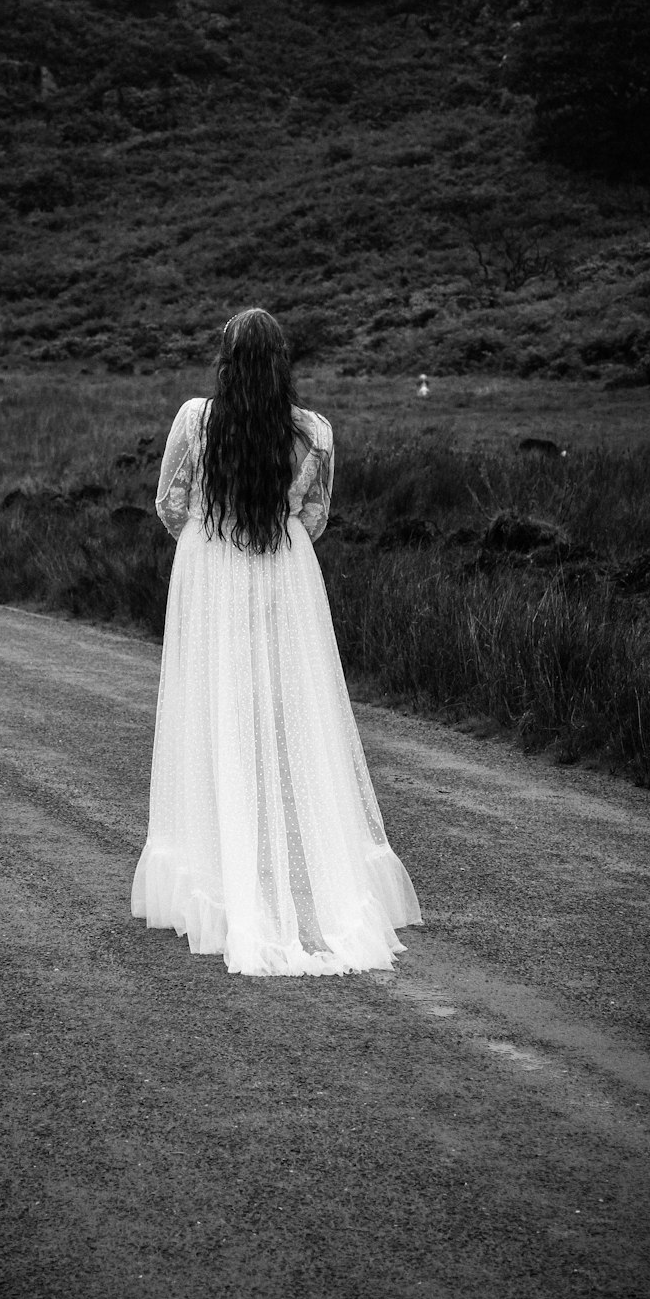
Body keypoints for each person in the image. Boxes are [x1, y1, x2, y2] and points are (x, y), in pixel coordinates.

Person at [131, 309, 422, 976]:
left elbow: (169, 505)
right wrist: (274, 540)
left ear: (227, 364)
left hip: (210, 568)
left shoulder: (196, 420)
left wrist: (210, 542)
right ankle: (299, 868)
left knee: (216, 706)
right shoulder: (313, 431)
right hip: (287, 574)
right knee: (290, 709)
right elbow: (316, 516)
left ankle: (223, 865)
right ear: (282, 362)